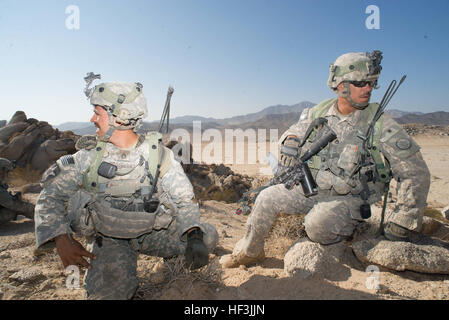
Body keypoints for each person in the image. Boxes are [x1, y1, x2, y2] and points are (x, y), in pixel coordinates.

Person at [220, 50, 430, 268]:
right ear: (340, 86)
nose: (368, 89)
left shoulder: (379, 124)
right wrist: (290, 141)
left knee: (317, 225)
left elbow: (415, 172)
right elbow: (294, 131)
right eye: (360, 83)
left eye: (371, 83)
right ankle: (250, 251)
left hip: (352, 198)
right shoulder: (318, 111)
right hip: (314, 188)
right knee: (266, 197)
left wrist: (403, 221)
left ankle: (347, 240)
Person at [34, 79, 218, 299]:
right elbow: (49, 196)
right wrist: (61, 239)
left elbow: (184, 199)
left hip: (152, 232)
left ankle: (175, 258)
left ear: (119, 117)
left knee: (208, 237)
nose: (92, 119)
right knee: (112, 294)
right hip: (110, 239)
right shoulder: (87, 158)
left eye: (97, 113)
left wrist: (193, 234)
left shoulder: (158, 156)